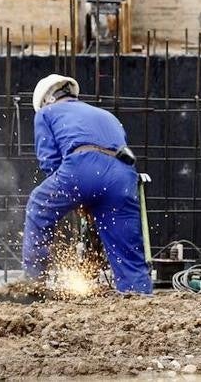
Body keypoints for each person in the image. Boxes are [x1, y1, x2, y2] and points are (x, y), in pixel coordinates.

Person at [21, 74, 152, 294]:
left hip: (83, 167)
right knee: (127, 252)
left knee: (39, 204)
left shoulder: (46, 113)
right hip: (123, 175)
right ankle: (138, 298)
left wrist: (73, 199)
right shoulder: (106, 115)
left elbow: (50, 161)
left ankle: (34, 284)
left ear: (47, 100)